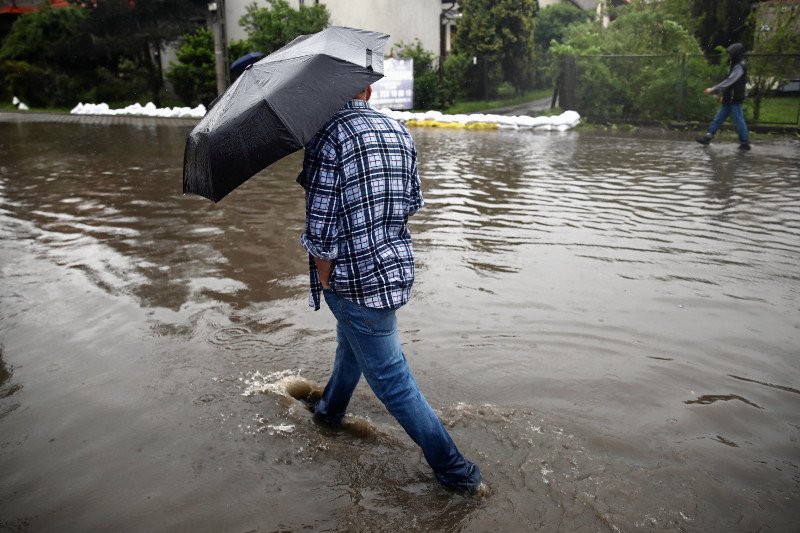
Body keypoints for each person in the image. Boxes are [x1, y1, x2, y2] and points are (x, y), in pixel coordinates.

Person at [296, 84, 484, 494]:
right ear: (365, 88)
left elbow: (320, 229)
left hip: (352, 278)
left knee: (392, 381)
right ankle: (329, 412)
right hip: (392, 268)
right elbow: (412, 201)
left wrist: (326, 278)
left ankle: (458, 472)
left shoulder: (325, 136)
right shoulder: (397, 128)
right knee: (352, 348)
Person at [696, 43, 751, 150]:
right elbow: (729, 83)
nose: (729, 56)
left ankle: (745, 143)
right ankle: (708, 136)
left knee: (739, 120)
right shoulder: (733, 64)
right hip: (729, 98)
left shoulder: (739, 66)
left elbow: (729, 81)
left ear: (736, 54)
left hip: (735, 99)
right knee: (718, 118)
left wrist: (713, 89)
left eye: (731, 54)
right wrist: (724, 95)